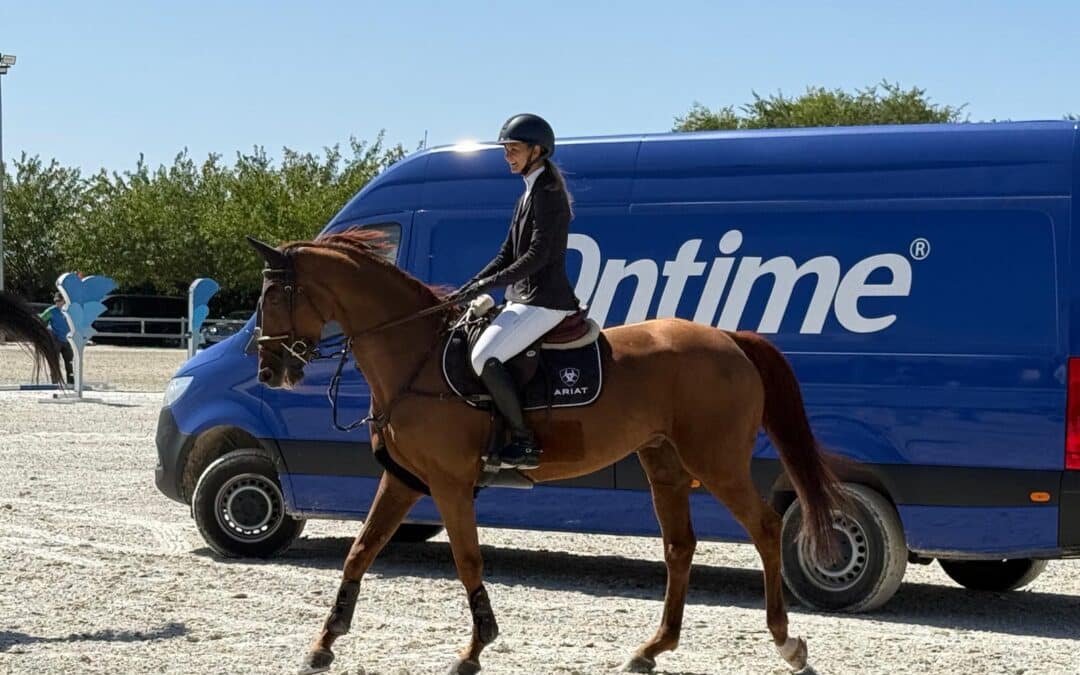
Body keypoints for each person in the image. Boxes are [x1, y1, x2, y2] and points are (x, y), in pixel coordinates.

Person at [449, 114, 581, 470]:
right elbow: (507, 253)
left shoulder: (549, 195)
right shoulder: (528, 193)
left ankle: (524, 443)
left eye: (514, 149)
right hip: (523, 297)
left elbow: (539, 256)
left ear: (537, 151)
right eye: (506, 150)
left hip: (546, 300)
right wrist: (469, 286)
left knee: (483, 358)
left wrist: (489, 285)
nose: (508, 155)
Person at [39, 292, 75, 385]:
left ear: (64, 301)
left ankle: (71, 383)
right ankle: (54, 383)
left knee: (70, 363)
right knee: (54, 362)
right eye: (56, 301)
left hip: (68, 340)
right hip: (55, 340)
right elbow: (40, 320)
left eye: (59, 301)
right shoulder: (51, 311)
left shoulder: (71, 311)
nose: (57, 303)